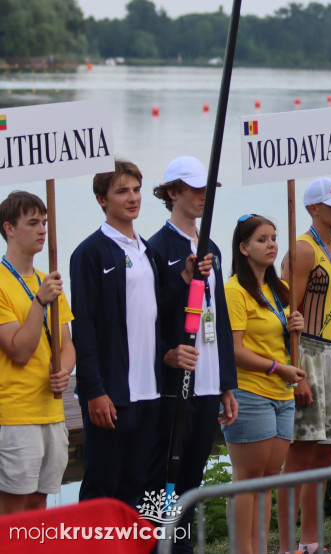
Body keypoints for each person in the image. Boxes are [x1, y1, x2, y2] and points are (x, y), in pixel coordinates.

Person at [146, 156, 238, 551]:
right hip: (174, 384)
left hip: (208, 382)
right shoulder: (156, 247)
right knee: (162, 481)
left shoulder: (211, 247)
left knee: (192, 481)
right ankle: (158, 547)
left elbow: (221, 320)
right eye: (195, 190)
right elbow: (150, 316)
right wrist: (167, 353)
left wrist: (226, 384)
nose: (203, 197)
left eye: (207, 191)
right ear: (172, 193)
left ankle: (181, 548)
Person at [71, 160, 167, 506]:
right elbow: (83, 327)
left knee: (135, 490)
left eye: (136, 190)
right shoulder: (89, 252)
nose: (132, 198)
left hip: (149, 392)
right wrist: (94, 390)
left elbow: (155, 313)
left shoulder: (147, 251)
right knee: (101, 490)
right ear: (102, 199)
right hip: (112, 395)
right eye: (122, 191)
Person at [277, 178, 331, 554]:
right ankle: (286, 546)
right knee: (299, 455)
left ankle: (310, 541)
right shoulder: (303, 249)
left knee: (324, 453)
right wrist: (294, 371)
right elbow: (284, 314)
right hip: (307, 351)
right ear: (313, 209)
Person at [223, 214, 305, 554]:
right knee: (247, 480)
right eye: (262, 239)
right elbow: (234, 350)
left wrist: (293, 325)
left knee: (268, 480)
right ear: (243, 248)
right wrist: (277, 368)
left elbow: (279, 337)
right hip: (250, 392)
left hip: (281, 393)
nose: (272, 244)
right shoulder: (234, 291)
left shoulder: (275, 289)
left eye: (273, 237)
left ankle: (260, 548)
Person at [0, 191, 75, 514]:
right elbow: (19, 350)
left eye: (44, 222)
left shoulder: (49, 280)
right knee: (15, 513)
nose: (43, 230)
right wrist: (40, 302)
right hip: (16, 414)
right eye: (32, 223)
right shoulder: (3, 283)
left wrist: (64, 370)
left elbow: (67, 345)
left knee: (39, 508)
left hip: (52, 412)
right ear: (9, 229)